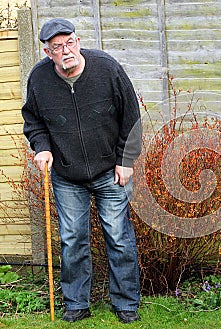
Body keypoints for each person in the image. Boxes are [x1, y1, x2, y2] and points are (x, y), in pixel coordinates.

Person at [21, 18, 142, 323]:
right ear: (49, 53)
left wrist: (126, 160)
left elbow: (132, 116)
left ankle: (126, 305)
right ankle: (76, 304)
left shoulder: (107, 69)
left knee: (118, 237)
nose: (66, 50)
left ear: (78, 41)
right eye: (58, 47)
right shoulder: (39, 79)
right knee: (73, 238)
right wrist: (42, 147)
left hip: (110, 170)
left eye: (70, 42)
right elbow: (33, 120)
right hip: (67, 175)